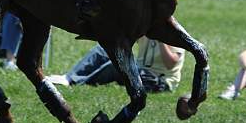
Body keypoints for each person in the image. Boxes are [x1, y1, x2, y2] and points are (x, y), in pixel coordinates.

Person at [46, 37, 185, 92]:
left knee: (116, 66)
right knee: (104, 49)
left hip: (159, 81)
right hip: (140, 72)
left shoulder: (172, 34)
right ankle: (69, 78)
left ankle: (76, 83)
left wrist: (161, 40)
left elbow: (171, 63)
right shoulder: (148, 27)